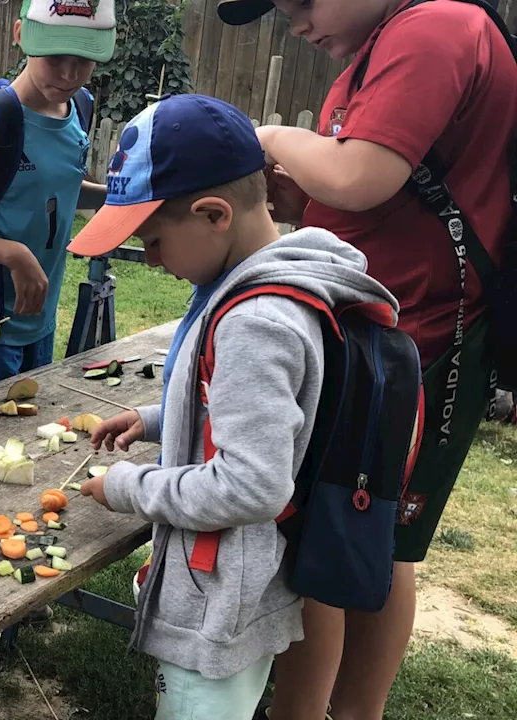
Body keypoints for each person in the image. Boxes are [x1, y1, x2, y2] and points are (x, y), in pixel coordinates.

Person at [217, 2, 517, 717]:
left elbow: (361, 177)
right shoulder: (378, 50)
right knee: (352, 532)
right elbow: (362, 195)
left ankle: (337, 711)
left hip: (419, 344)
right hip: (378, 333)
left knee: (357, 536)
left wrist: (269, 136)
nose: (295, 24)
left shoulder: (435, 26)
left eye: (300, 2)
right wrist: (304, 198)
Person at [68, 94, 402, 720]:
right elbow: (268, 412)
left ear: (214, 213)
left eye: (155, 240)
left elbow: (252, 485)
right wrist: (154, 419)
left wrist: (131, 486)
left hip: (223, 593)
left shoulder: (255, 320)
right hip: (252, 573)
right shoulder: (281, 282)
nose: (154, 260)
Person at [0, 0, 115, 393]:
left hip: (41, 319)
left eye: (84, 60)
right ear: (21, 36)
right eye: (55, 56)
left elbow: (57, 189)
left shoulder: (80, 107)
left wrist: (113, 198)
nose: (69, 74)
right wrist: (12, 253)